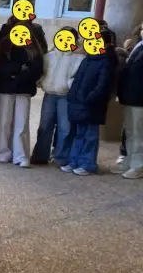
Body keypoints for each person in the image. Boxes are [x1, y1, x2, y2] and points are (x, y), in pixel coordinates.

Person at [63, 28, 118, 176]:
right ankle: (74, 161)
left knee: (90, 135)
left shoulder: (106, 61)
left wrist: (90, 98)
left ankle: (87, 164)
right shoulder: (87, 59)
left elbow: (103, 85)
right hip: (79, 102)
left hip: (93, 104)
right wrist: (73, 96)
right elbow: (77, 79)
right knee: (79, 134)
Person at [0, 15, 45, 167]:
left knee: (21, 123)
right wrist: (18, 70)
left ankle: (21, 155)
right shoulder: (5, 46)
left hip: (24, 88)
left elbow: (36, 69)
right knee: (5, 122)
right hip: (6, 88)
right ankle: (3, 153)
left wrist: (18, 75)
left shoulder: (33, 49)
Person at [29, 26, 82, 166]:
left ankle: (61, 157)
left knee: (65, 127)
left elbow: (77, 78)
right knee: (45, 125)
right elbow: (42, 73)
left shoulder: (78, 58)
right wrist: (42, 82)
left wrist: (68, 85)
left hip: (66, 96)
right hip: (49, 94)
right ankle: (40, 155)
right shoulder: (49, 56)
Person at [117, 35, 143, 179]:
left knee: (139, 134)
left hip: (140, 98)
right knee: (130, 131)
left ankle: (138, 165)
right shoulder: (138, 45)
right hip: (129, 96)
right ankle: (129, 160)